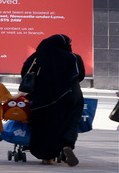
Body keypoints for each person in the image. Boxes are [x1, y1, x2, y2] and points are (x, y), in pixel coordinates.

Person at [21, 34, 86, 166]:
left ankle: (47, 156)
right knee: (71, 121)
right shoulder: (74, 58)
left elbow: (25, 74)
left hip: (43, 98)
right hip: (70, 96)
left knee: (43, 124)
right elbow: (80, 76)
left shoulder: (37, 57)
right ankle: (67, 145)